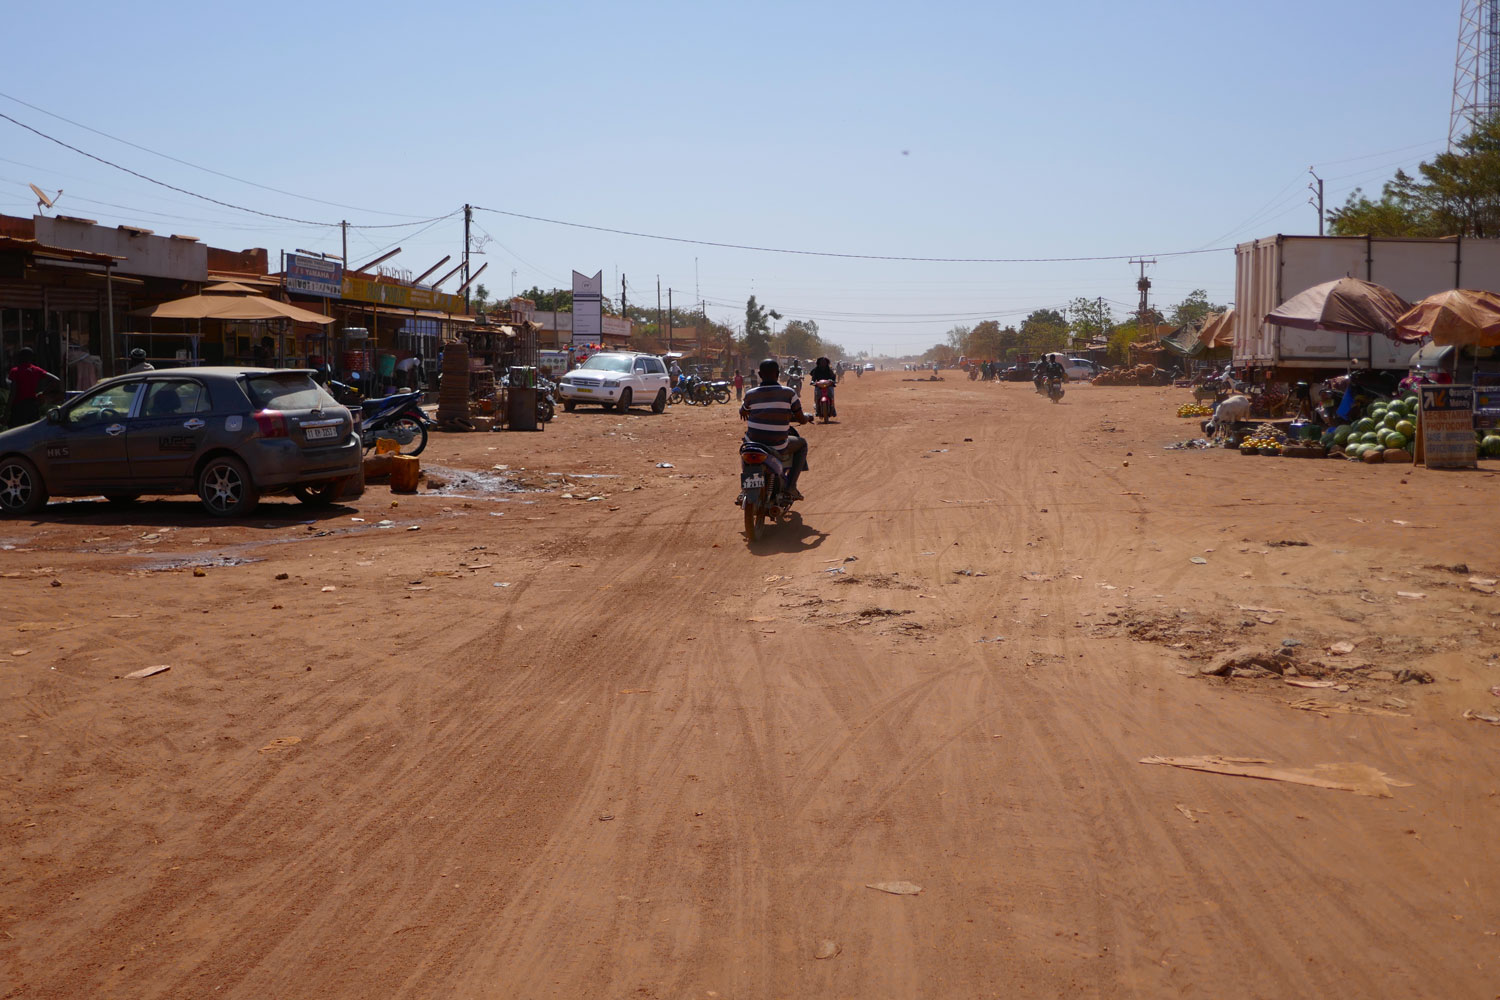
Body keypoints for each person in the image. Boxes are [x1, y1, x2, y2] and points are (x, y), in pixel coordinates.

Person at [740, 358, 812, 500]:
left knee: (745, 446)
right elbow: (801, 419)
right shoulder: (789, 393)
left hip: (753, 444)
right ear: (778, 374)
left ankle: (745, 489)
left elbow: (743, 410)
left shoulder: (750, 394)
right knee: (802, 444)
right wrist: (808, 418)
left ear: (760, 375)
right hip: (777, 445)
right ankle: (791, 486)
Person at [6, 347, 59, 427]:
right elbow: (56, 380)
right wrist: (43, 393)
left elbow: (13, 392)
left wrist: (7, 411)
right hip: (33, 404)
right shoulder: (36, 370)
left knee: (16, 431)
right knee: (33, 430)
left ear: (20, 357)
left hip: (19, 406)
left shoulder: (15, 371)